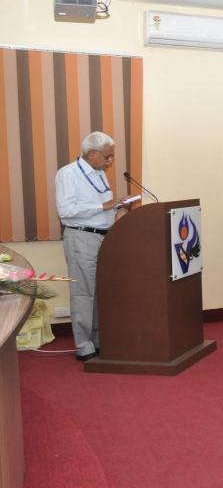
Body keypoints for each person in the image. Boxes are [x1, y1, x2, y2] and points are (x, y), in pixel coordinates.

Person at [55, 131, 134, 362]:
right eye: (108, 156)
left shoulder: (100, 174)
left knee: (100, 291)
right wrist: (103, 206)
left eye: (112, 156)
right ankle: (84, 345)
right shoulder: (68, 174)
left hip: (104, 237)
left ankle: (98, 339)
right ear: (92, 153)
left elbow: (103, 207)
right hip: (82, 237)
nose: (111, 161)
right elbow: (65, 211)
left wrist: (119, 207)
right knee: (83, 293)